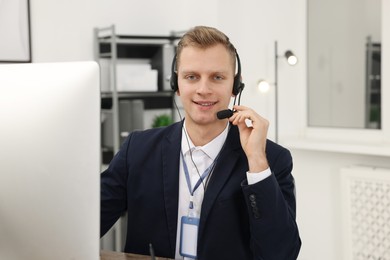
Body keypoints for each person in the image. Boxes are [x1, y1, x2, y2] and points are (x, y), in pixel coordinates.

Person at [101, 25, 301, 259]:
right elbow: (86, 223)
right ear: (176, 84)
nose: (203, 89)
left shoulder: (271, 159)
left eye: (217, 77)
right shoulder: (137, 150)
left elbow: (281, 253)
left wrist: (256, 161)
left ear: (236, 86)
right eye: (191, 77)